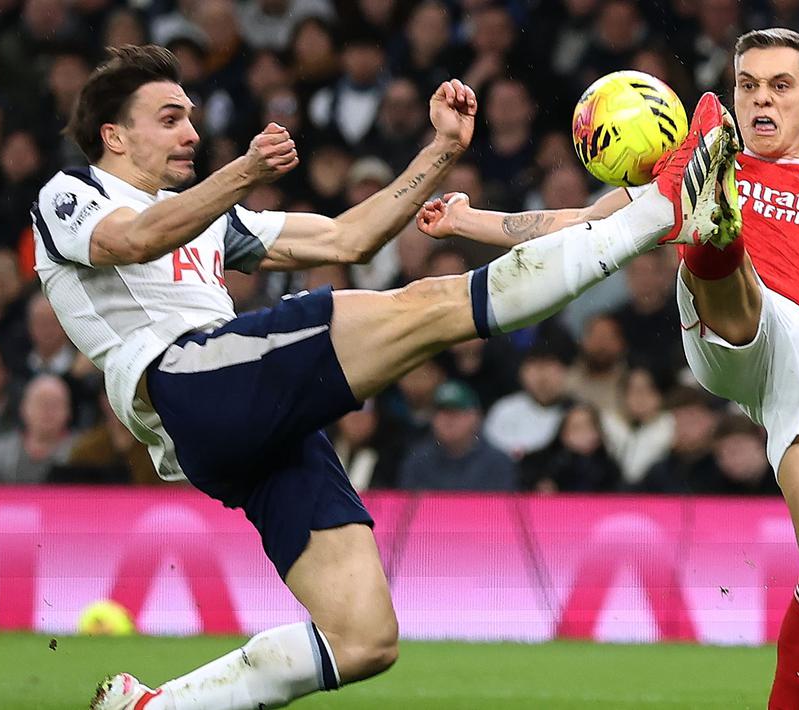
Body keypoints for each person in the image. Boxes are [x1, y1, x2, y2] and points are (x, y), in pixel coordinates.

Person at [37, 45, 734, 710]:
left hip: (237, 422)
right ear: (114, 136)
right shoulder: (72, 194)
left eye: (190, 117)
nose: (191, 133)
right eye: (170, 119)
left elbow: (348, 238)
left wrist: (441, 150)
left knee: (363, 639)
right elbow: (133, 240)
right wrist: (244, 172)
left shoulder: (210, 220)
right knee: (428, 309)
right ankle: (660, 210)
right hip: (188, 378)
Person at [423, 28, 799, 710]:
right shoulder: (689, 170)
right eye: (747, 85)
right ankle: (716, 235)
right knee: (719, 253)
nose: (761, 99)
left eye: (780, 86)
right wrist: (469, 221)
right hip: (729, 316)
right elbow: (582, 224)